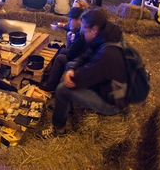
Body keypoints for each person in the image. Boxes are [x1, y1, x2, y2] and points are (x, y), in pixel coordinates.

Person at [35, 8, 128, 139]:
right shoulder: (106, 34)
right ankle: (65, 109)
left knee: (63, 89)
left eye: (84, 29)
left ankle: (58, 130)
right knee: (71, 70)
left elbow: (85, 78)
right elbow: (87, 54)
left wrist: (72, 76)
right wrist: (73, 68)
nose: (82, 32)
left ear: (94, 30)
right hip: (106, 86)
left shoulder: (108, 53)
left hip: (111, 101)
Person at [40, 7, 87, 92]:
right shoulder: (82, 29)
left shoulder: (81, 35)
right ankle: (52, 76)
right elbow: (71, 28)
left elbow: (70, 54)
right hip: (81, 57)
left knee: (60, 58)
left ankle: (50, 87)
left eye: (71, 19)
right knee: (62, 50)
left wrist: (71, 40)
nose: (69, 22)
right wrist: (63, 27)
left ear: (79, 20)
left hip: (82, 65)